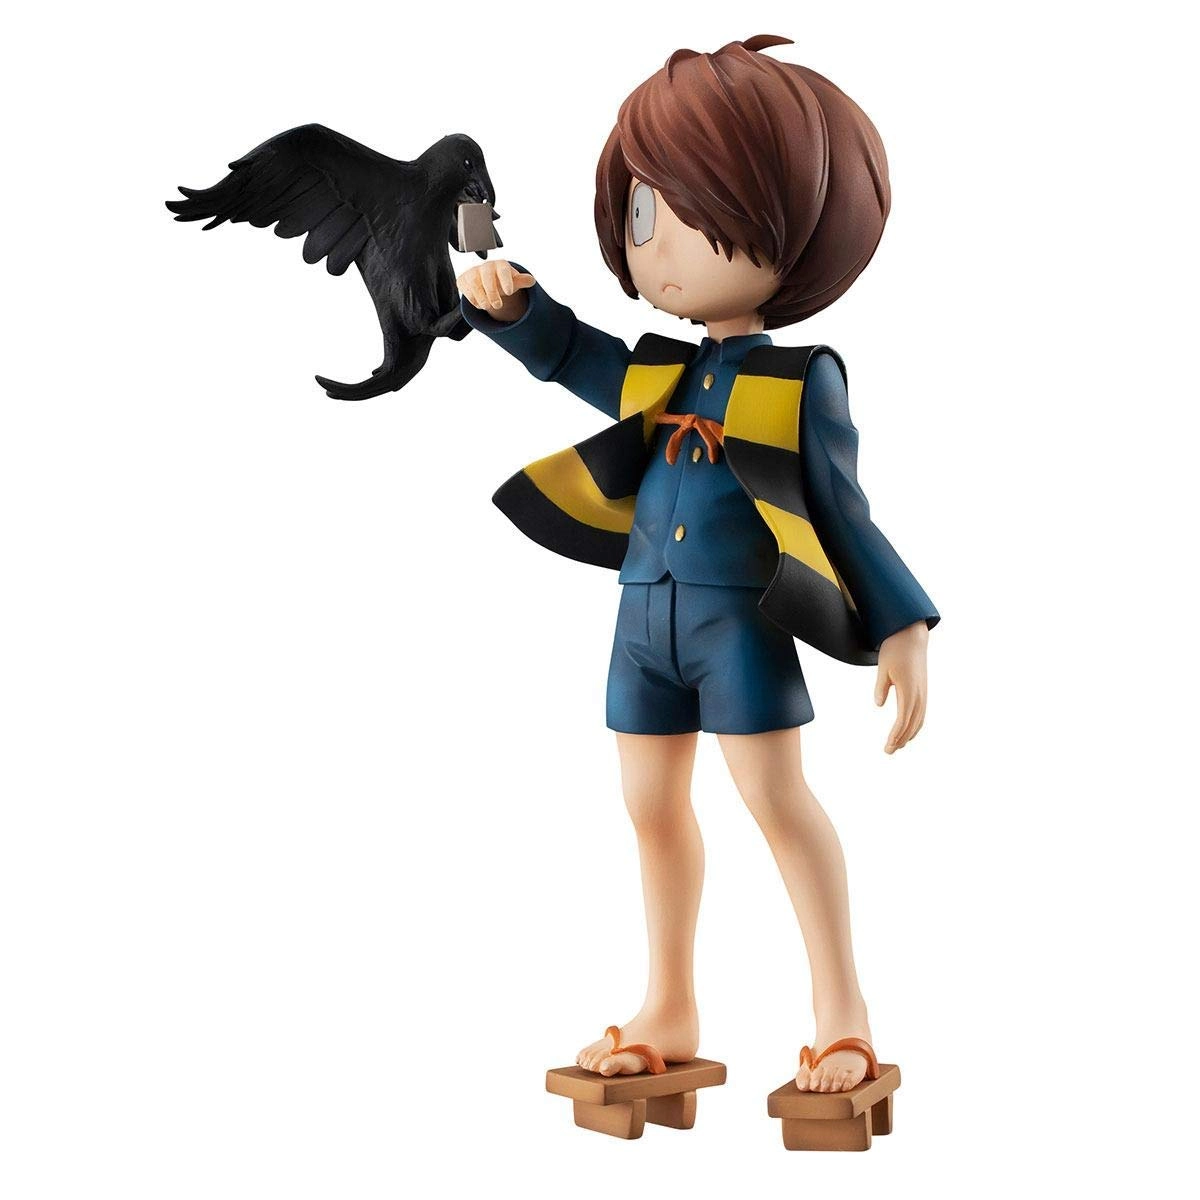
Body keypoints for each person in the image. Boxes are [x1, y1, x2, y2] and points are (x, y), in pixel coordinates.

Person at [456, 34, 938, 1095]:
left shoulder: (797, 381)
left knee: (777, 802)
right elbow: (574, 354)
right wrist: (513, 307)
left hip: (739, 627)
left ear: (792, 222)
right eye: (643, 213)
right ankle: (667, 1002)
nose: (660, 246)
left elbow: (842, 508)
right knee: (649, 807)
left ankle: (843, 1015)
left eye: (694, 207)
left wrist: (902, 623)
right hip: (643, 622)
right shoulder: (660, 372)